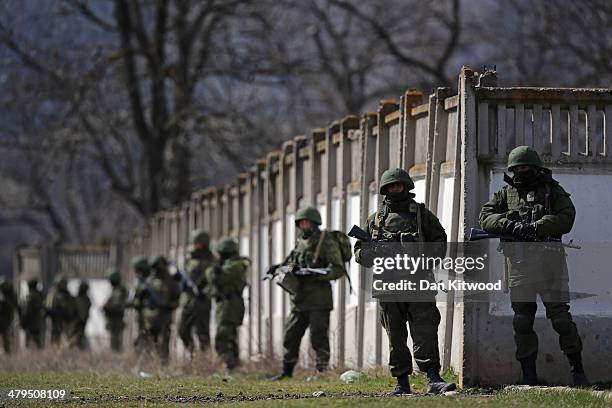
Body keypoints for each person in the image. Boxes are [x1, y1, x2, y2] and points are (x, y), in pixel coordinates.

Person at [479, 145, 587, 386]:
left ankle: (578, 371)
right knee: (522, 321)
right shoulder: (506, 194)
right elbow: (485, 217)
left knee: (560, 319)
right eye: (516, 168)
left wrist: (537, 227)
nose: (520, 171)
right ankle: (529, 376)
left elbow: (566, 217)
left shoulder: (553, 191)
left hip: (550, 266)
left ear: (535, 167)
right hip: (520, 266)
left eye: (525, 166)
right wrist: (508, 224)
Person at [354, 168, 455, 395]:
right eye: (391, 186)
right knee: (395, 335)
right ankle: (401, 382)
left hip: (418, 283)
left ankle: (432, 378)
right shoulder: (376, 220)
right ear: (385, 190)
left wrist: (423, 261)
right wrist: (373, 253)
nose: (395, 189)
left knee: (425, 330)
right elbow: (359, 251)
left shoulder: (421, 215)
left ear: (407, 187)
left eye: (399, 185)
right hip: (388, 287)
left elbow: (440, 241)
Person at [269, 207, 346, 380]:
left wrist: (316, 272)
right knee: (290, 335)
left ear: (314, 222)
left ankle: (321, 371)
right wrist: (278, 268)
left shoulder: (325, 241)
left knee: (318, 336)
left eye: (307, 222)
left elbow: (338, 268)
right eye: (301, 222)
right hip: (299, 299)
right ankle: (286, 371)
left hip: (319, 299)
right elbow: (290, 264)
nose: (304, 225)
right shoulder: (299, 242)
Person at [206, 239, 248, 371]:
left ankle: (230, 365)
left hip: (230, 305)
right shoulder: (229, 265)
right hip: (225, 304)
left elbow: (218, 278)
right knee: (230, 337)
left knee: (222, 338)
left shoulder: (235, 265)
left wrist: (215, 270)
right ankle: (234, 366)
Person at [178, 230, 215, 355]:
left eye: (197, 243)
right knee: (182, 330)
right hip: (188, 301)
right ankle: (193, 353)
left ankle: (205, 360)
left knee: (203, 333)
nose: (194, 245)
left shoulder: (211, 261)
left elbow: (213, 281)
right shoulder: (190, 260)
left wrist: (204, 292)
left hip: (202, 303)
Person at [143, 255, 180, 361]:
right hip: (151, 317)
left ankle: (164, 364)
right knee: (150, 340)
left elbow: (177, 297)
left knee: (164, 341)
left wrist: (172, 305)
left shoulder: (170, 281)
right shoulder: (150, 280)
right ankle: (149, 363)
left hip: (165, 316)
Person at [128, 256, 151, 352]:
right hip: (141, 313)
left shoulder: (149, 280)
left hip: (149, 314)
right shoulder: (139, 280)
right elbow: (133, 298)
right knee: (140, 336)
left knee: (146, 336)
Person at [46, 275, 76, 346]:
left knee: (69, 340)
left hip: (66, 321)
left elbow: (72, 309)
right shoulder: (52, 294)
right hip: (55, 321)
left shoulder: (68, 296)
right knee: (54, 340)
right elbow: (48, 306)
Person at [103, 267, 128, 352]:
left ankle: (116, 357)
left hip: (116, 318)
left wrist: (108, 307)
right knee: (113, 340)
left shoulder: (120, 290)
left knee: (115, 341)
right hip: (113, 318)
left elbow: (118, 305)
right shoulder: (115, 289)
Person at [19, 278, 45, 349]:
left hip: (31, 322)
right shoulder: (39, 295)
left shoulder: (32, 296)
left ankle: (28, 355)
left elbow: (28, 310)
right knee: (38, 340)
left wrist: (24, 321)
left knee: (29, 341)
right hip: (37, 321)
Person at [0, 277, 18, 354]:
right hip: (2, 317)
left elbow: (12, 306)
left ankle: (8, 351)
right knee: (6, 335)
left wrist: (4, 300)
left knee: (6, 335)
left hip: (7, 318)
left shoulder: (12, 295)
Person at [73, 280, 91, 350]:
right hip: (75, 322)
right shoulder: (77, 298)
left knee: (79, 336)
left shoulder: (85, 299)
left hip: (80, 322)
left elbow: (84, 313)